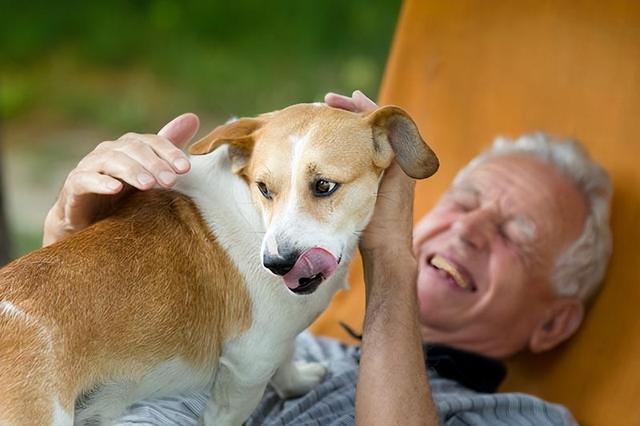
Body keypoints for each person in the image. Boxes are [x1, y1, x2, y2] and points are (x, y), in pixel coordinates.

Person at [43, 91, 612, 425]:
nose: (467, 229)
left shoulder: (523, 417)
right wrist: (69, 239)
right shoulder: (289, 334)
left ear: (554, 321)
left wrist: (391, 259)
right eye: (464, 201)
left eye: (516, 233)